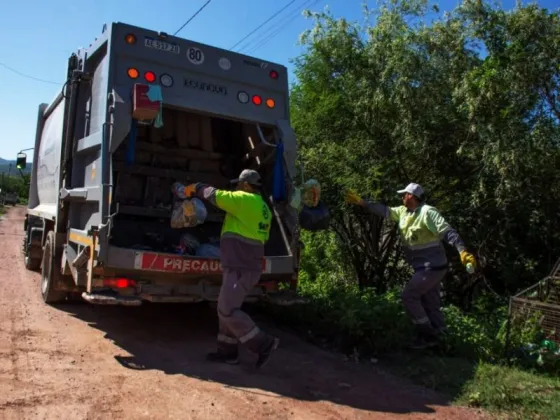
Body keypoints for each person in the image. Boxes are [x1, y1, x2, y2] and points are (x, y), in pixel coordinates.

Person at [344, 183, 477, 349]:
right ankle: (443, 339)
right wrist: (362, 203)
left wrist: (462, 251)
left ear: (412, 196)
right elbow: (384, 210)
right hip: (425, 267)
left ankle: (427, 335)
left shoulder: (428, 212)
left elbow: (447, 232)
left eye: (404, 194)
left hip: (431, 267)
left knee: (409, 296)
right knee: (431, 303)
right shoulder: (402, 212)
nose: (402, 197)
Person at [182, 169, 279, 368]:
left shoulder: (243, 199)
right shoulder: (263, 208)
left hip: (240, 266)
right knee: (226, 307)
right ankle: (227, 352)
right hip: (245, 264)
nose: (235, 187)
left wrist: (196, 187)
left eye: (238, 184)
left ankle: (263, 343)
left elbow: (214, 195)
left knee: (226, 310)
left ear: (245, 185)